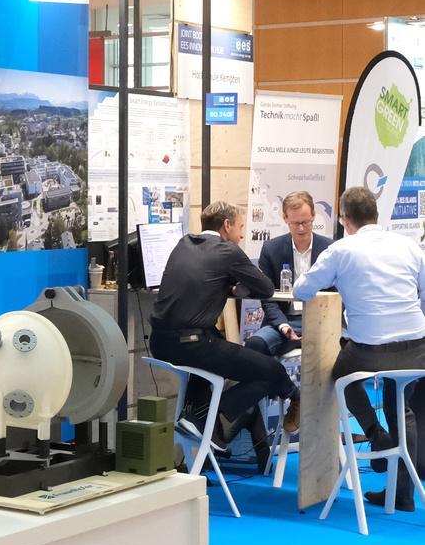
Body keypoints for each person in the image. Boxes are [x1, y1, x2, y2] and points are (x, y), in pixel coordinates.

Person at [294, 186, 425, 511]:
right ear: (376, 215)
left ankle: (374, 433)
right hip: (417, 349)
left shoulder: (341, 250)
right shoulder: (409, 246)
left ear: (344, 219)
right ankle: (403, 495)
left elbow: (302, 290)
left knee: (341, 374)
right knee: (401, 407)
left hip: (370, 350)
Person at [148, 201, 299, 461]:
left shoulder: (183, 244)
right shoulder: (228, 250)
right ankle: (205, 416)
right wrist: (237, 281)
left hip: (160, 342)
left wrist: (228, 285)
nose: (241, 235)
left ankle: (196, 418)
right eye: (240, 227)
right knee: (272, 371)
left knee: (215, 351)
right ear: (227, 225)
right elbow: (265, 288)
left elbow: (204, 278)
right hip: (193, 345)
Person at [247, 190, 332, 357]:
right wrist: (283, 326)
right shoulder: (271, 249)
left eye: (305, 222)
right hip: (284, 320)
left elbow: (337, 294)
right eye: (295, 223)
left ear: (314, 215)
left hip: (321, 321)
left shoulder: (330, 249)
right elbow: (267, 296)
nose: (301, 228)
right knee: (255, 345)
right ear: (285, 218)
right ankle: (277, 375)